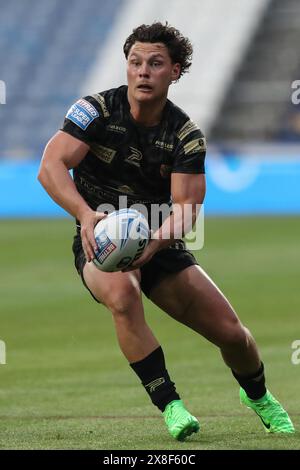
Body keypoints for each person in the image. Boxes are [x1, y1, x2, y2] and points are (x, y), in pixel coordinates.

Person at [38, 22, 294, 441]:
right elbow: (51, 166)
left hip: (160, 239)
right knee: (122, 295)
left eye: (155, 64)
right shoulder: (96, 111)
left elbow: (187, 206)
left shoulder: (185, 135)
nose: (142, 71)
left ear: (175, 71)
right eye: (135, 62)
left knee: (232, 335)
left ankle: (259, 395)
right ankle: (171, 405)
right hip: (101, 235)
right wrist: (85, 216)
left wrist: (157, 243)